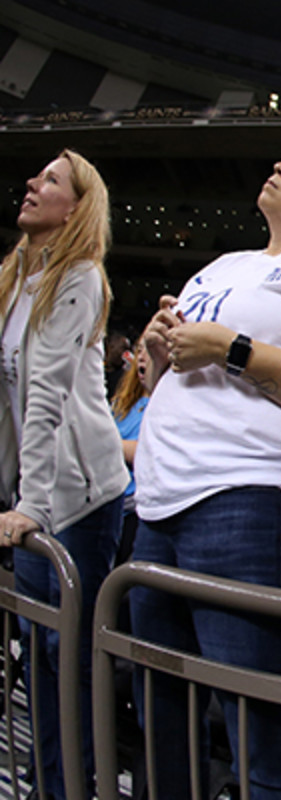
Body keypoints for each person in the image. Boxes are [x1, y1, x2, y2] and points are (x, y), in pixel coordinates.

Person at [132, 128, 281, 800]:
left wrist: (231, 346)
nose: (279, 165)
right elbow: (176, 388)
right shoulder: (220, 267)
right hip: (158, 502)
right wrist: (161, 351)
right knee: (163, 725)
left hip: (251, 498)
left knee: (260, 739)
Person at [0, 149, 128, 800]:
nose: (31, 184)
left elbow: (45, 396)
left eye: (49, 180)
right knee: (38, 650)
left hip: (77, 499)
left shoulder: (79, 276)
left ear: (76, 207)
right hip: (33, 495)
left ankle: (75, 785)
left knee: (65, 658)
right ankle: (49, 784)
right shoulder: (14, 277)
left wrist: (31, 506)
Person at [111, 335, 151, 562]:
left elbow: (146, 452)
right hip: (105, 497)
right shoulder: (121, 402)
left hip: (133, 508)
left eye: (151, 349)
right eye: (140, 349)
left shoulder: (163, 405)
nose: (143, 355)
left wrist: (106, 443)